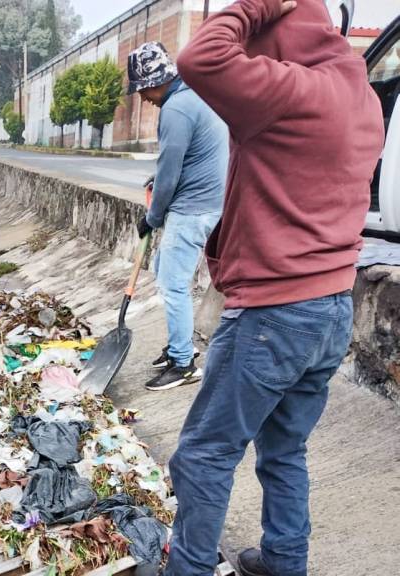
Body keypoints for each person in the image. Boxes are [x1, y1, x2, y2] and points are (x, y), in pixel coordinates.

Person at [164, 1, 384, 575]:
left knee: (203, 456)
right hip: (334, 308)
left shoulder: (291, 90)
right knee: (285, 450)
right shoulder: (361, 95)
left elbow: (199, 57)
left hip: (273, 315)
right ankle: (285, 560)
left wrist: (258, 5)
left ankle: (186, 569)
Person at [126, 41, 229, 391]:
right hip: (206, 204)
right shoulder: (194, 97)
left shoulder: (177, 109)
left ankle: (184, 364)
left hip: (193, 210)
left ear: (157, 81)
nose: (143, 99)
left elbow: (170, 174)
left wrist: (152, 218)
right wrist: (159, 181)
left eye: (143, 90)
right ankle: (177, 348)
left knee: (172, 284)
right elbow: (185, 161)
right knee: (163, 271)